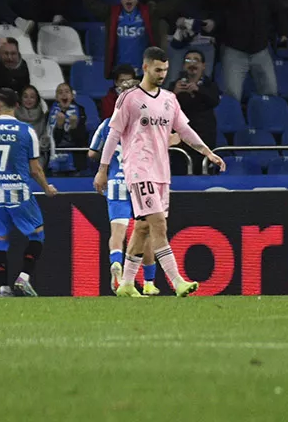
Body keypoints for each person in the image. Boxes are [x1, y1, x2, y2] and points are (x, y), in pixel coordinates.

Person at [96, 47, 226, 298]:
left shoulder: (169, 99)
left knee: (143, 227)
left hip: (162, 172)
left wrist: (207, 152)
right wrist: (103, 170)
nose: (162, 74)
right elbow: (113, 134)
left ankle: (125, 284)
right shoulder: (130, 98)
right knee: (159, 224)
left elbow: (184, 130)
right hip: (138, 169)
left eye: (165, 70)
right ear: (145, 67)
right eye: (157, 70)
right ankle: (177, 281)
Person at [0, 87, 59, 297]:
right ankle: (23, 277)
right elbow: (35, 168)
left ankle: (3, 287)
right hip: (19, 193)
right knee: (37, 235)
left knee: (0, 240)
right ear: (17, 105)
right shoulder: (26, 131)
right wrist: (46, 187)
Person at [88, 73, 160, 295]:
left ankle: (116, 263)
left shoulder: (108, 124)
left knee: (117, 232)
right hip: (140, 183)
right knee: (145, 233)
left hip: (117, 183)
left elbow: (92, 153)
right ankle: (148, 282)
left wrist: (104, 167)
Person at [210, 0, 288, 101]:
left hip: (261, 50)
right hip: (234, 51)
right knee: (232, 96)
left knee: (271, 92)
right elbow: (216, 10)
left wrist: (283, 33)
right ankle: (234, 124)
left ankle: (269, 123)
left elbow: (279, 13)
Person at [169, 49, 220, 171]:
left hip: (203, 139)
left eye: (196, 60)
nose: (192, 63)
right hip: (180, 141)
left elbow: (214, 101)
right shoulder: (174, 86)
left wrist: (198, 90)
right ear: (183, 66)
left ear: (203, 66)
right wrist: (174, 93)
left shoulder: (210, 85)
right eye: (188, 60)